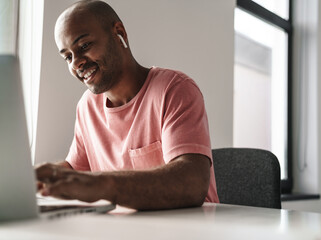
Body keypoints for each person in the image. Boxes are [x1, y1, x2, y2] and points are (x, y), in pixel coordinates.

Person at [36, 0, 219, 210]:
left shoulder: (174, 89)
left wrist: (102, 185)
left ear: (119, 32)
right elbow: (76, 173)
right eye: (68, 56)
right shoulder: (87, 107)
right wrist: (32, 180)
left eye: (85, 46)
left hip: (190, 227)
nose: (76, 63)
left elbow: (192, 183)